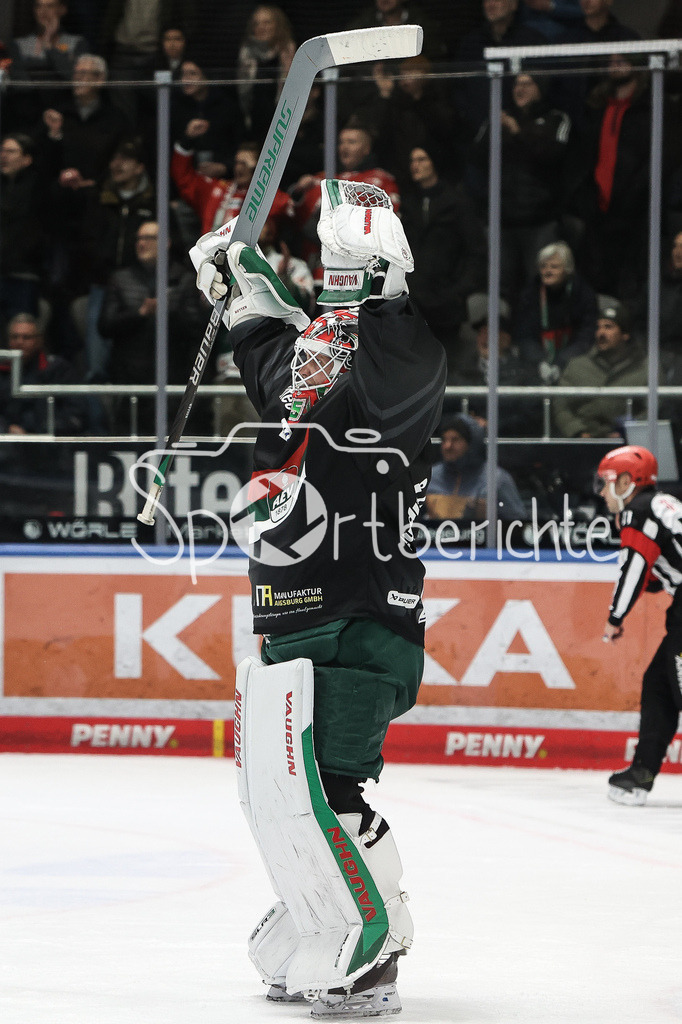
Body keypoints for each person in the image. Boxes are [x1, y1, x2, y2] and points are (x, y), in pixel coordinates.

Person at [189, 179, 446, 1014]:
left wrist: (371, 269)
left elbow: (385, 334)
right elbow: (268, 337)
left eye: (339, 322)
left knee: (329, 788)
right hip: (286, 612)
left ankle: (376, 942)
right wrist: (234, 277)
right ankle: (318, 915)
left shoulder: (396, 369)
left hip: (360, 616)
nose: (317, 350)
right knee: (279, 791)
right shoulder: (301, 378)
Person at [596, 444, 682, 804]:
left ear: (626, 482)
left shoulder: (639, 512)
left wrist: (615, 617)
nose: (602, 493)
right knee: (660, 684)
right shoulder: (664, 504)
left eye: (606, 483)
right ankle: (641, 773)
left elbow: (633, 568)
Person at [468, 70, 572, 298]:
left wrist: (517, 132)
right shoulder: (500, 118)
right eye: (517, 84)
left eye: (527, 84)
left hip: (540, 220)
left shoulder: (555, 119)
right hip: (502, 220)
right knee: (499, 285)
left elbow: (552, 156)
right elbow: (476, 156)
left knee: (540, 283)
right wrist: (497, 129)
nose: (520, 89)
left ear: (540, 89)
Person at [400, 145, 487, 354]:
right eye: (412, 160)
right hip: (413, 301)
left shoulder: (457, 203)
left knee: (447, 361)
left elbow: (476, 251)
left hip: (447, 303)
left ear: (435, 163)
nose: (415, 165)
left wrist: (459, 291)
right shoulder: (408, 204)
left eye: (421, 159)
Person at [553, 297, 648, 439]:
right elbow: (561, 405)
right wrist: (578, 431)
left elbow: (654, 409)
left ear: (625, 334)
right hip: (582, 442)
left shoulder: (644, 368)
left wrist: (627, 432)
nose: (601, 333)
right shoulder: (577, 366)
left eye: (608, 327)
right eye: (598, 327)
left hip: (627, 443)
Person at [171, 138, 294, 238]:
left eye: (245, 164)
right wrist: (186, 142)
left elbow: (285, 207)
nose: (239, 168)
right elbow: (185, 180)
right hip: (210, 257)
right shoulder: (218, 188)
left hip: (247, 259)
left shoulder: (268, 198)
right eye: (237, 163)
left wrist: (259, 173)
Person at [515, 240, 598, 383]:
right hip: (535, 364)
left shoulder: (583, 293)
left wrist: (562, 361)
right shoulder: (530, 294)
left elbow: (586, 335)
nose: (547, 271)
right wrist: (539, 361)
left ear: (567, 269)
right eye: (543, 266)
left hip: (575, 361)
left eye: (554, 267)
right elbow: (524, 335)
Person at [424, 414, 526, 521]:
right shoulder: (429, 477)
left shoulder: (496, 480)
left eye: (455, 440)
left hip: (483, 532)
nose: (447, 446)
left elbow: (518, 524)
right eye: (444, 440)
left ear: (472, 444)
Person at [0, 313, 84, 434]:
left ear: (39, 340)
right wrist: (6, 428)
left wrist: (36, 431)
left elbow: (75, 414)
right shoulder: (1, 370)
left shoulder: (58, 369)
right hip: (6, 439)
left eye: (26, 337)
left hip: (48, 439)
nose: (19, 342)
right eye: (15, 337)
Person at [0, 133, 47, 329]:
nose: (3, 156)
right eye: (2, 151)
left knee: (21, 334)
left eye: (11, 151)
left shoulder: (38, 188)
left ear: (27, 159)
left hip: (23, 274)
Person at [236, 5, 296, 144]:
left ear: (278, 25)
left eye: (267, 22)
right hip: (252, 121)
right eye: (256, 23)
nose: (261, 27)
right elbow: (241, 93)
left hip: (284, 121)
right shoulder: (246, 52)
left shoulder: (289, 51)